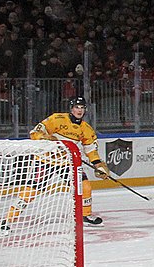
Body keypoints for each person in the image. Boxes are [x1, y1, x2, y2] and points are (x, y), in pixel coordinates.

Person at [7, 96, 108, 227]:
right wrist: (47, 139)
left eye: (82, 108)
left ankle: (85, 215)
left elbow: (90, 149)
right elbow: (35, 132)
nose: (79, 110)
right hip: (45, 160)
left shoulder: (86, 129)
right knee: (31, 191)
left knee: (85, 187)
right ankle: (8, 220)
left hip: (67, 163)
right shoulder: (57, 118)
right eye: (77, 107)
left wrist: (98, 165)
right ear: (71, 108)